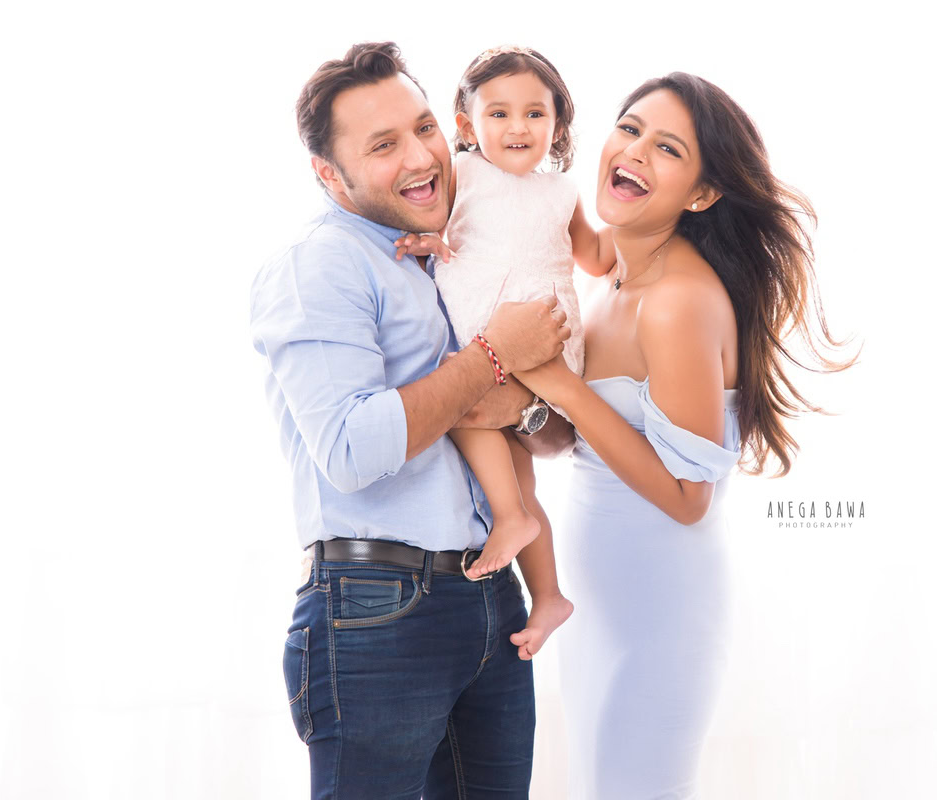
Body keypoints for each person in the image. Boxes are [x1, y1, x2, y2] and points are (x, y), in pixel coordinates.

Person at [513, 73, 857, 798]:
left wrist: (556, 380)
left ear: (702, 195)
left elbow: (687, 495)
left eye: (667, 148)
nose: (634, 151)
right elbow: (589, 440)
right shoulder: (615, 275)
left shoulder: (675, 302)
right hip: (601, 612)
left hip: (656, 622)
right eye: (630, 127)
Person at [249, 41, 574, 799]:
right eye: (383, 145)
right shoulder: (322, 264)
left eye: (424, 127)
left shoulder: (453, 248)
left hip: (490, 598)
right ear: (328, 173)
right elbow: (353, 452)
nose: (422, 155)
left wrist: (521, 396)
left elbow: (558, 437)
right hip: (378, 612)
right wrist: (494, 357)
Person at [394, 44, 611, 654]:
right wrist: (426, 242)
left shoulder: (563, 192)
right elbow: (436, 223)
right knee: (513, 472)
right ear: (466, 126)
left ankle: (515, 524)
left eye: (535, 115)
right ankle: (549, 596)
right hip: (482, 324)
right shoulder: (464, 174)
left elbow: (596, 257)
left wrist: (651, 224)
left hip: (542, 332)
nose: (519, 128)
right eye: (499, 114)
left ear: (558, 126)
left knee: (470, 413)